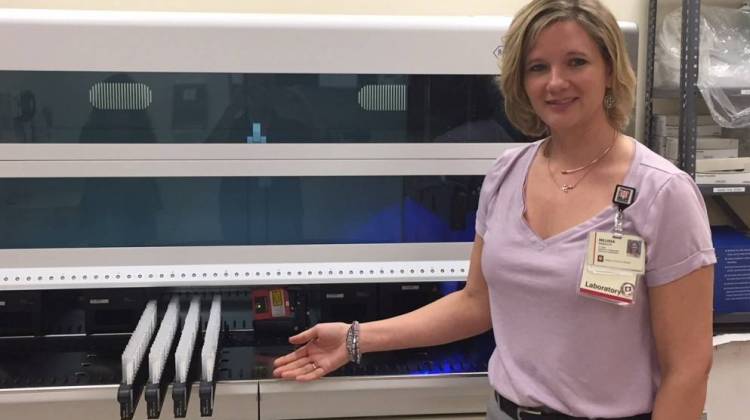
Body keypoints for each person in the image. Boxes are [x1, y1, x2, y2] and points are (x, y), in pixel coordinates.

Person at [273, 1, 716, 419]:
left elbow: (689, 367)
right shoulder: (507, 174)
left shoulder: (662, 193)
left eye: (576, 62)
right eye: (537, 67)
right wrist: (355, 338)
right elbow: (475, 303)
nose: (555, 82)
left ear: (610, 71)